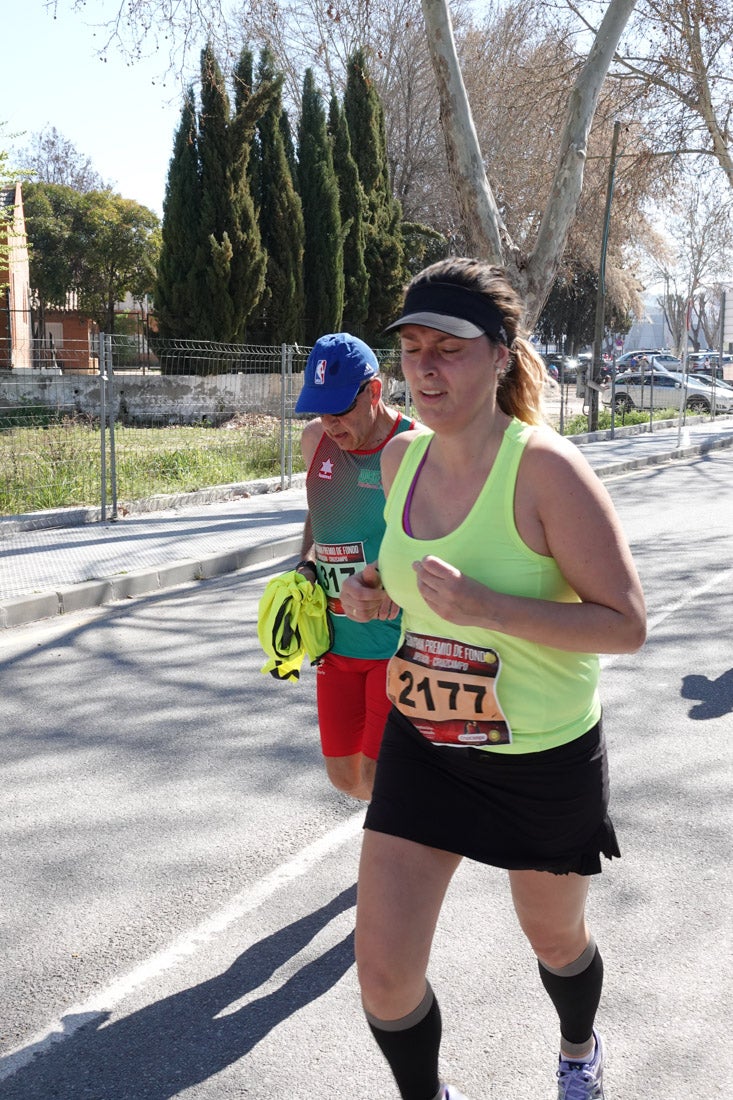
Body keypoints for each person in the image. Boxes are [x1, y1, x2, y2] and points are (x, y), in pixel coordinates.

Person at [340, 259, 647, 1100]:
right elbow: (408, 582)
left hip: (540, 757)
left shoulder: (545, 469)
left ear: (501, 356)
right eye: (411, 348)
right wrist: (377, 596)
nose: (426, 368)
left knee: (555, 942)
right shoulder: (398, 459)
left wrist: (487, 608)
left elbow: (625, 625)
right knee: (383, 977)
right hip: (427, 746)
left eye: (451, 348)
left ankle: (578, 1048)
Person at [294, 332, 419, 801]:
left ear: (374, 391)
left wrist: (393, 582)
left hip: (396, 642)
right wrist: (305, 563)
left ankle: (397, 859)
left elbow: (441, 538)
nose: (329, 423)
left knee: (379, 777)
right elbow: (318, 511)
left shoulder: (413, 447)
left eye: (341, 409)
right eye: (320, 409)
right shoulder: (314, 443)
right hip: (334, 640)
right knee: (345, 777)